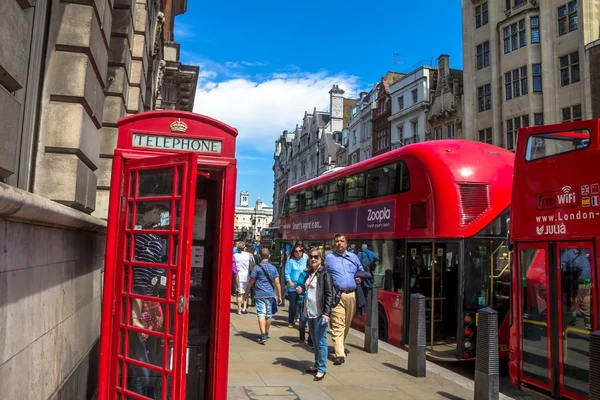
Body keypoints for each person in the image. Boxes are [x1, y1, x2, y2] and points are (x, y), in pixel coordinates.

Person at [129, 203, 168, 398]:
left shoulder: (136, 239)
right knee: (142, 367)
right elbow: (140, 283)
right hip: (142, 311)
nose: (163, 219)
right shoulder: (152, 242)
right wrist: (136, 319)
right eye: (160, 214)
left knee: (143, 363)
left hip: (144, 310)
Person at [297, 247, 335, 381]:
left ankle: (322, 369)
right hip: (310, 311)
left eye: (316, 257)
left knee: (321, 341)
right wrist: (300, 289)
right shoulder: (309, 273)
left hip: (320, 313)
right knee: (314, 340)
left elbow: (329, 294)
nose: (313, 259)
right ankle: (316, 363)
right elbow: (307, 289)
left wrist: (326, 313)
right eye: (311, 257)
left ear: (321, 259)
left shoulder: (325, 274)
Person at [325, 234, 363, 365]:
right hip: (337, 295)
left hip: (351, 295)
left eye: (342, 241)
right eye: (337, 241)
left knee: (346, 324)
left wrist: (360, 278)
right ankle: (339, 354)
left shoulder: (353, 257)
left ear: (346, 244)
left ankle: (340, 343)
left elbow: (361, 270)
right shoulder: (328, 258)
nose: (339, 243)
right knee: (337, 323)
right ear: (333, 243)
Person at [243, 248, 282, 344]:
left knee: (261, 314)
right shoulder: (273, 268)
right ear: (269, 256)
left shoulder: (257, 268)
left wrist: (246, 292)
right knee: (268, 315)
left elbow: (251, 282)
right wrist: (279, 296)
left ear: (260, 256)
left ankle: (263, 334)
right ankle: (267, 333)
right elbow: (277, 283)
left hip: (259, 295)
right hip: (270, 295)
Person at [285, 244, 308, 328]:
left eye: (300, 251)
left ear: (302, 252)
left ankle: (303, 324)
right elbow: (287, 273)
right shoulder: (290, 262)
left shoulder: (305, 261)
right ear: (293, 253)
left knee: (302, 306)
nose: (298, 253)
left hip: (302, 286)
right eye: (296, 251)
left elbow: (308, 272)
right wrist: (290, 282)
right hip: (293, 286)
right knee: (293, 305)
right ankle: (291, 321)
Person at [234, 241, 255, 314]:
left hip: (238, 276)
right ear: (245, 248)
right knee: (246, 293)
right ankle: (244, 308)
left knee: (239, 294)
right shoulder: (250, 255)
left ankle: (239, 309)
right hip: (247, 276)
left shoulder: (235, 255)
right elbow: (253, 266)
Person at [295, 268, 314, 348]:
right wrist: (300, 289)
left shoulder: (320, 273)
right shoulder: (304, 274)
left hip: (314, 301)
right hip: (303, 300)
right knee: (303, 320)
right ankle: (302, 336)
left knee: (312, 321)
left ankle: (311, 340)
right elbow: (299, 284)